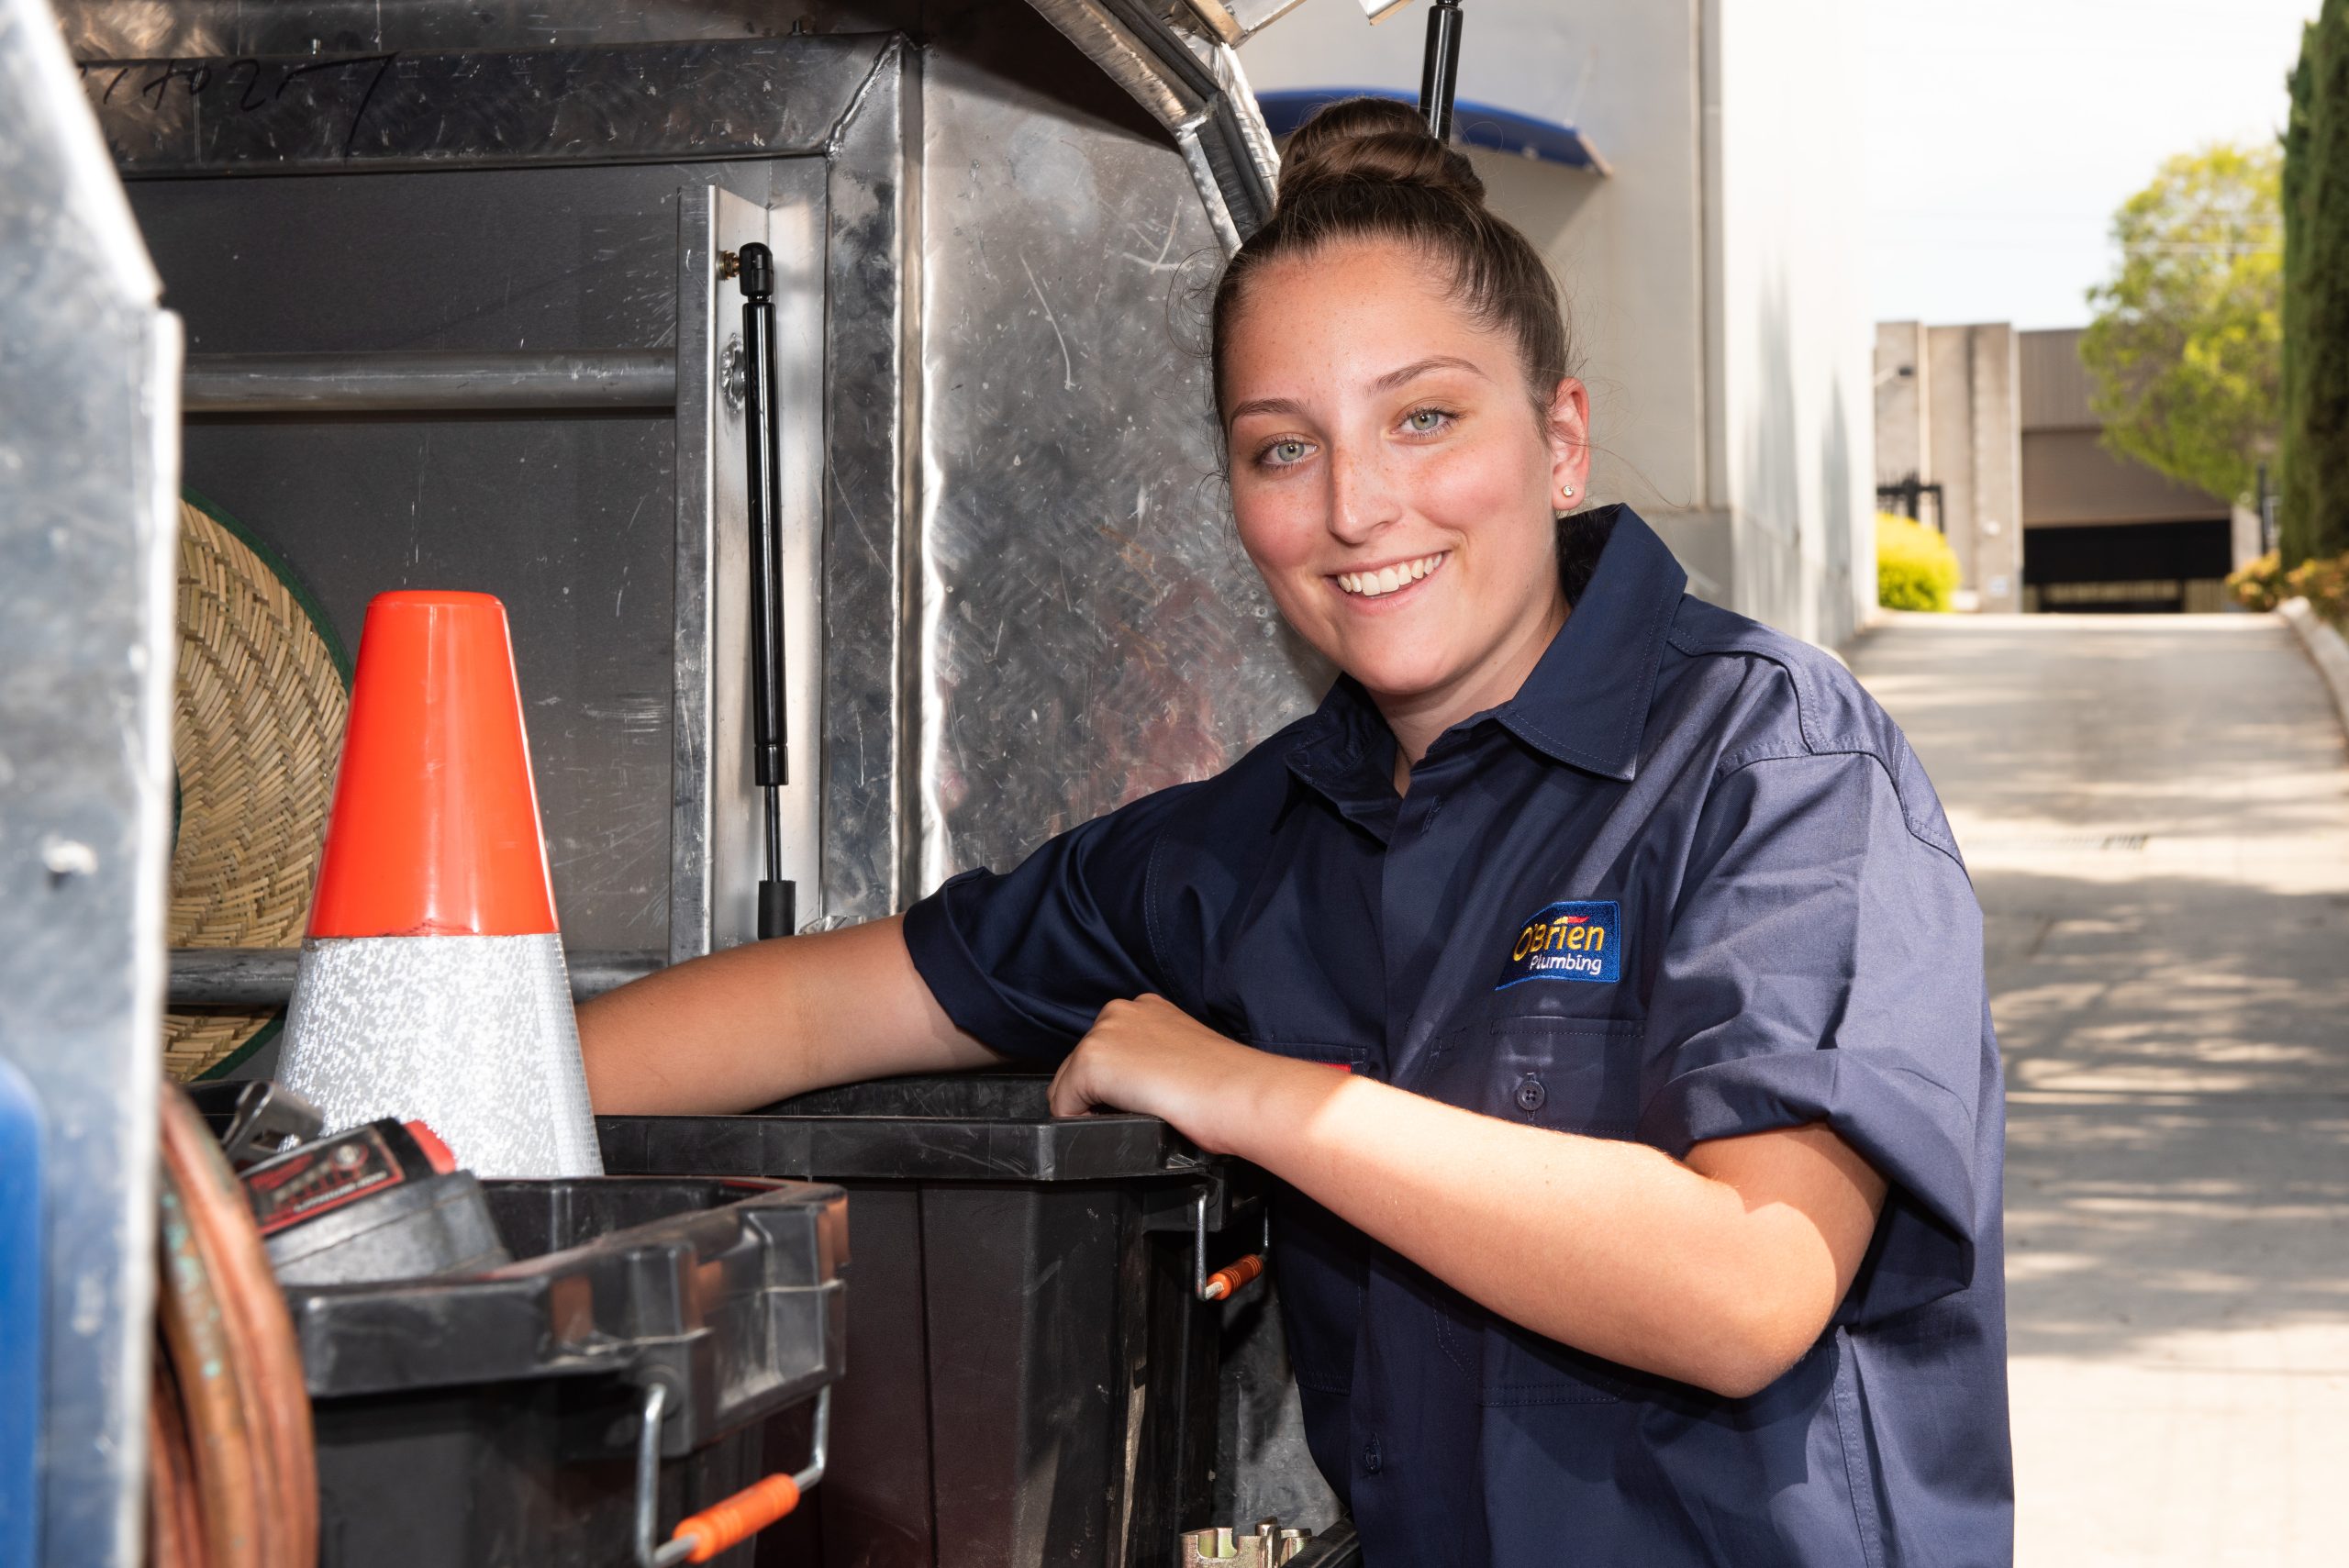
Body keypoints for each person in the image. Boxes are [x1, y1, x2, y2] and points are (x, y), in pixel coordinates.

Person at [582, 96, 2011, 1566]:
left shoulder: (1772, 761)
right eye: (1282, 448)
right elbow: (821, 1004)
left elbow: (1749, 1285)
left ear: (1562, 440)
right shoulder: (1251, 843)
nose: (1355, 505)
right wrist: (454, 1126)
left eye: (1425, 417)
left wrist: (1259, 1095)